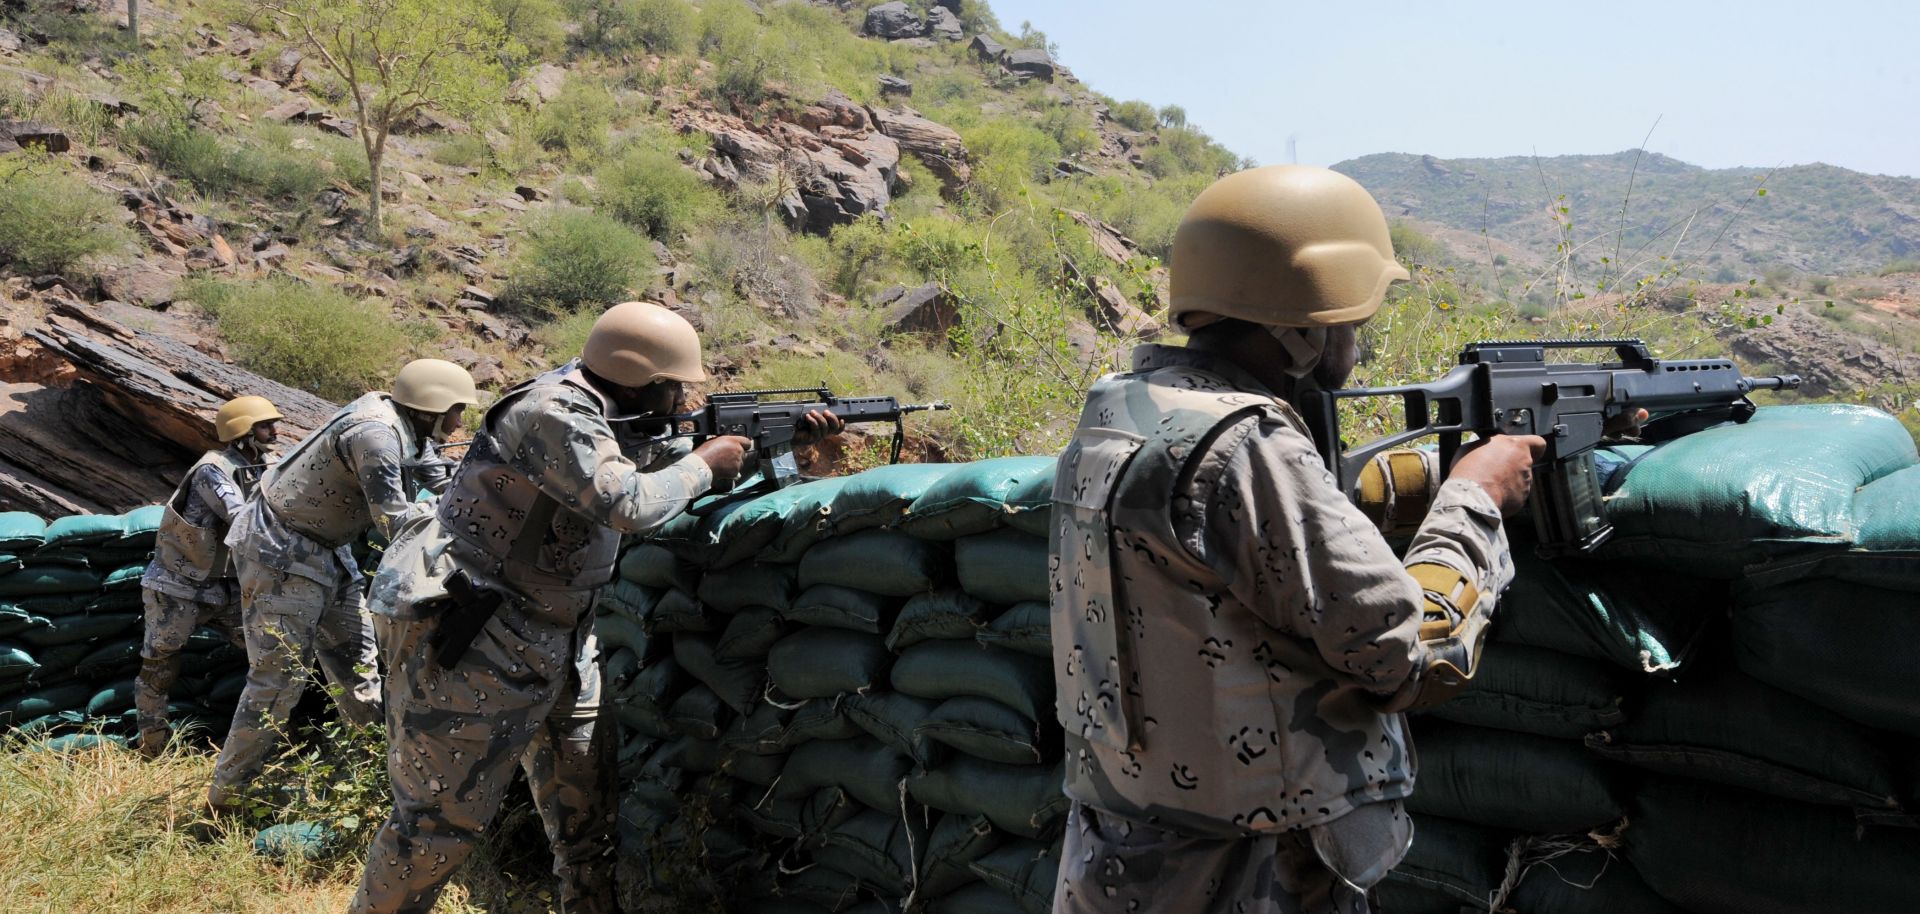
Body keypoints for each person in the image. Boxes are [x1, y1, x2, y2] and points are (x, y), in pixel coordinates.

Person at [1047, 165, 1547, 914]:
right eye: (1356, 316)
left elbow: (1238, 548)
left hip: (1125, 855)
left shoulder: (1122, 411)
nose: (1358, 339)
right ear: (1308, 322)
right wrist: (1475, 497)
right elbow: (1402, 655)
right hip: (1250, 872)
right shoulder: (1247, 443)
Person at [349, 301, 843, 914]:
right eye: (675, 387)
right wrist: (703, 462)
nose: (683, 399)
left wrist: (777, 444)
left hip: (560, 634)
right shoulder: (553, 410)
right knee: (435, 828)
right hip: (477, 631)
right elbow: (627, 502)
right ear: (645, 380)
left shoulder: (615, 413)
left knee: (586, 818)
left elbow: (647, 463)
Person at [209, 358, 478, 813]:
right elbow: (395, 521)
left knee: (358, 670)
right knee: (278, 679)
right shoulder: (375, 434)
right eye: (455, 410)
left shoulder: (410, 427)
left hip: (327, 548)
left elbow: (441, 479)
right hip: (279, 550)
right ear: (430, 408)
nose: (459, 421)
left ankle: (371, 779)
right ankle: (228, 797)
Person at [134, 395, 283, 758]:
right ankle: (153, 748)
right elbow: (240, 515)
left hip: (230, 588)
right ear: (243, 431)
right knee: (159, 667)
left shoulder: (270, 463)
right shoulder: (212, 469)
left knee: (270, 661)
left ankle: (273, 741)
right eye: (266, 425)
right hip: (178, 587)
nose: (275, 431)